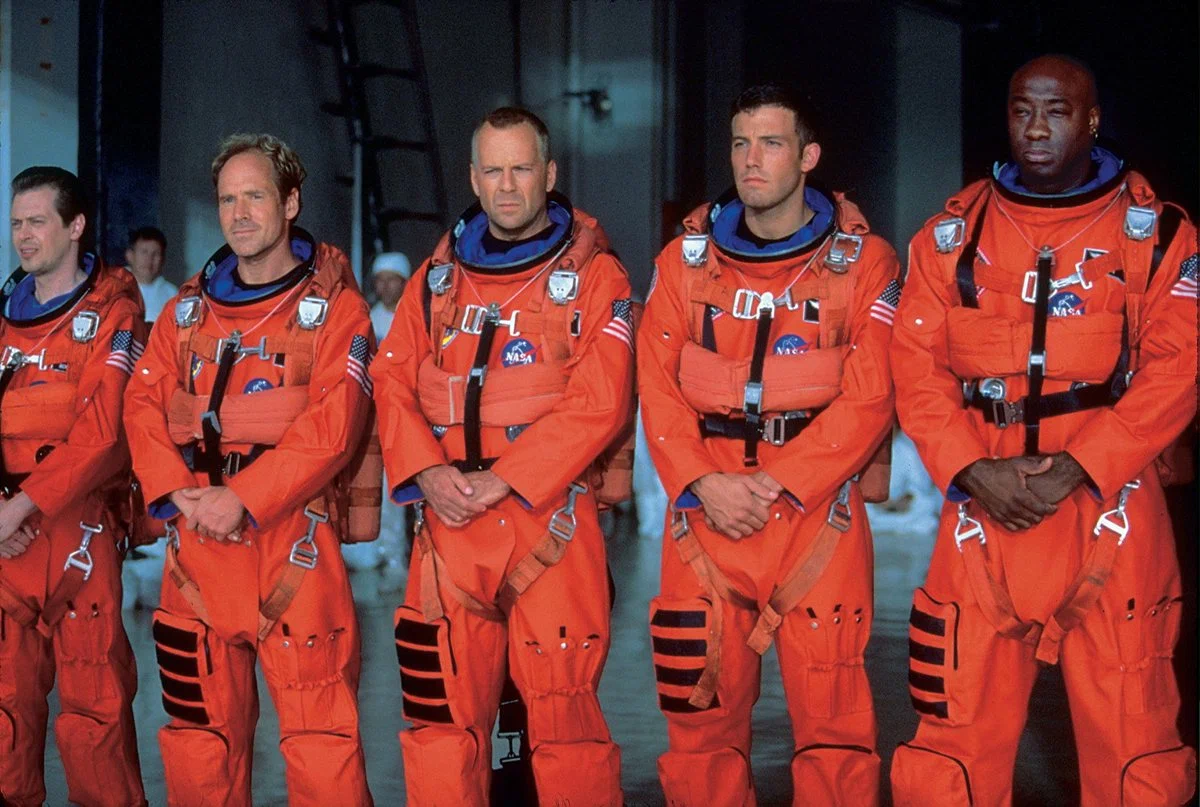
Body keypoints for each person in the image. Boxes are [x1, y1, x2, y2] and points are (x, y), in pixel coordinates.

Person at [889, 54, 1198, 806]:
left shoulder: (1158, 235)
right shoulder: (950, 237)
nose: (1035, 127)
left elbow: (1178, 370)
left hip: (1111, 508)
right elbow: (916, 369)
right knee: (951, 745)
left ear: (1091, 120)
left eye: (1056, 111)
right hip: (982, 510)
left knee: (1135, 750)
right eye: (1022, 109)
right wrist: (971, 468)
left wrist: (1077, 466)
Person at [639, 84, 899, 806]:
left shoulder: (866, 262)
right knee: (698, 724)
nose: (751, 160)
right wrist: (702, 480)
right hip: (705, 516)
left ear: (808, 156)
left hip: (816, 514)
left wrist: (780, 483)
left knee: (835, 730)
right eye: (740, 144)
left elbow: (872, 394)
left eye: (772, 143)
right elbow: (655, 382)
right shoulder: (683, 262)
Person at [373, 106, 632, 806]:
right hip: (448, 525)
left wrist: (506, 480)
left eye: (521, 168)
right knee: (438, 728)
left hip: (550, 524)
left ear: (549, 173)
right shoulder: (437, 278)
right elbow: (391, 380)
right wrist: (427, 471)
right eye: (493, 170)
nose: (507, 185)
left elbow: (602, 400)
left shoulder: (596, 276)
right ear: (473, 178)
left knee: (567, 728)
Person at [123, 134, 376, 807]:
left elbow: (333, 427)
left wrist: (242, 496)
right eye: (227, 199)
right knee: (198, 745)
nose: (238, 213)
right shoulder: (186, 312)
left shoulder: (338, 310)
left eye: (255, 196)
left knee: (321, 748)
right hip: (194, 548)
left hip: (292, 544)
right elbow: (142, 404)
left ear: (290, 202)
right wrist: (177, 492)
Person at [0, 166, 147, 806]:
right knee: (4, 711)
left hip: (77, 537)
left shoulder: (115, 312)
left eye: (37, 222)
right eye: (16, 224)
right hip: (6, 543)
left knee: (95, 715)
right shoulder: (3, 316)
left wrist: (20, 510)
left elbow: (104, 432)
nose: (23, 237)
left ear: (76, 225)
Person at [125, 225, 177, 322]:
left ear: (162, 259)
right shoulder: (115, 286)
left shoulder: (172, 294)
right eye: (144, 252)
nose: (149, 259)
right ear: (130, 255)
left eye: (156, 253)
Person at [369, 250, 410, 342]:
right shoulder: (369, 320)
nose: (385, 285)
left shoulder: (417, 317)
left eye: (391, 279)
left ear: (405, 283)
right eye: (380, 280)